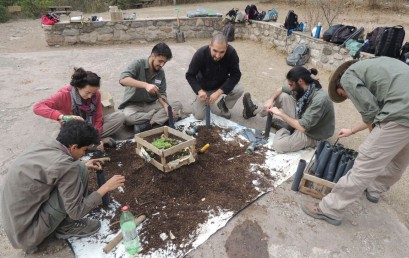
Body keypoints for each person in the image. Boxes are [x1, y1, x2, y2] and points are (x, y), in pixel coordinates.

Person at [301, 57, 409, 226]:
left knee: (364, 164)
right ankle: (375, 188)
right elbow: (380, 111)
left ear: (340, 85)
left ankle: (330, 210)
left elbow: (371, 112)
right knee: (398, 160)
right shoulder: (375, 67)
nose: (348, 98)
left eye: (343, 95)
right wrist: (352, 131)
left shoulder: (348, 77)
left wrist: (375, 139)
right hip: (403, 113)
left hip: (402, 114)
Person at [1, 120, 125, 254]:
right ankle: (67, 226)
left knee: (79, 167)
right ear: (73, 147)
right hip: (29, 233)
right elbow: (76, 212)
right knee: (77, 169)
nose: (84, 153)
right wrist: (105, 187)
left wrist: (83, 164)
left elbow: (55, 168)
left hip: (17, 225)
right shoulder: (66, 167)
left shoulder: (46, 144)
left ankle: (59, 223)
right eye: (84, 150)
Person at [242, 66, 335, 153]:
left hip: (313, 133)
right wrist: (271, 100)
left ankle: (287, 128)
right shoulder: (306, 86)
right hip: (303, 118)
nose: (290, 87)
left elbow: (303, 128)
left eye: (291, 85)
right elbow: (281, 89)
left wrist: (280, 114)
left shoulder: (320, 99)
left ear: (300, 81)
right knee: (282, 96)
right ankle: (254, 110)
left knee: (279, 146)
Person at [33, 67, 125, 150]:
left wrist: (97, 137)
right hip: (75, 130)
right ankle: (90, 144)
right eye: (87, 92)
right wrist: (62, 117)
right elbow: (38, 107)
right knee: (56, 139)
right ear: (78, 87)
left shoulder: (96, 95)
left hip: (91, 127)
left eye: (93, 93)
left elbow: (98, 117)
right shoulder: (64, 95)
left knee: (119, 116)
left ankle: (89, 144)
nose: (90, 96)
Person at [119, 42, 182, 133]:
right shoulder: (137, 64)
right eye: (160, 61)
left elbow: (162, 94)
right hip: (134, 105)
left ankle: (148, 124)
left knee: (177, 105)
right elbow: (123, 80)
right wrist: (146, 85)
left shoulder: (161, 72)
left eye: (165, 62)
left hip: (151, 104)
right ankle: (158, 119)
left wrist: (165, 106)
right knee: (125, 117)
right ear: (153, 55)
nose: (162, 65)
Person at [186, 33, 243, 120]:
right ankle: (196, 102)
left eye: (222, 52)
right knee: (199, 116)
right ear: (210, 45)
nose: (218, 56)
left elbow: (236, 75)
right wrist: (199, 91)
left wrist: (219, 92)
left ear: (226, 47)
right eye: (215, 51)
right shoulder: (200, 54)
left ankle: (223, 105)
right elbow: (190, 75)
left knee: (239, 89)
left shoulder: (231, 53)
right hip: (204, 87)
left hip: (221, 84)